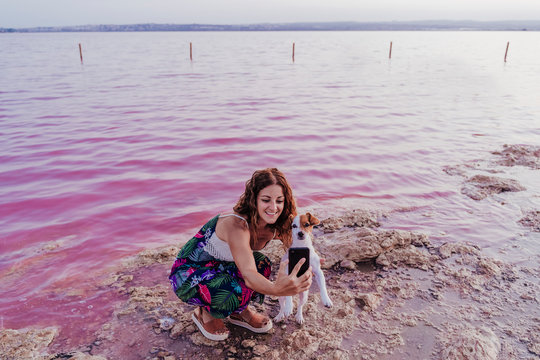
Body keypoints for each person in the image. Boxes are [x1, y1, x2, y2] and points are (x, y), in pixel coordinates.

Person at [169, 168, 313, 341]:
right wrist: (277, 289)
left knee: (262, 264)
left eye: (279, 201)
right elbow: (249, 274)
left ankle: (238, 312)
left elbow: (297, 243)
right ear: (254, 200)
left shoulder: (277, 221)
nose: (274, 208)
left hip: (224, 265)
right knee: (237, 286)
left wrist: (313, 260)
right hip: (190, 273)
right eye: (266, 200)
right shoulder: (236, 224)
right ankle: (205, 314)